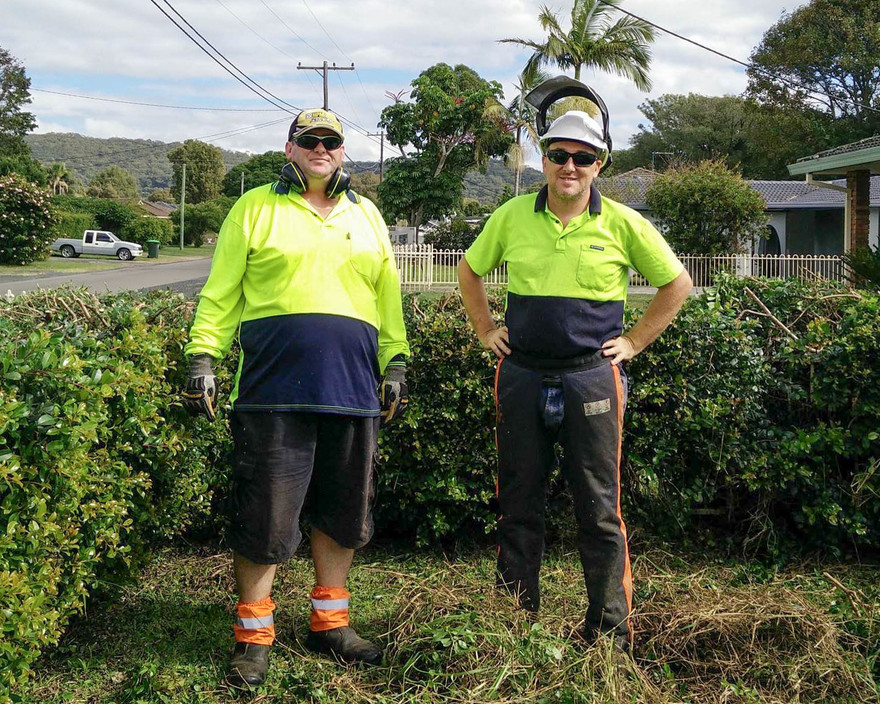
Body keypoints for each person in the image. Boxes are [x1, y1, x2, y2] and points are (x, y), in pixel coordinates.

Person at [181, 108, 410, 686]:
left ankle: (329, 624)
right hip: (271, 392)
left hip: (353, 389)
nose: (321, 148)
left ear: (341, 151)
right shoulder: (254, 207)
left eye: (331, 141)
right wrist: (203, 356)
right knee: (265, 517)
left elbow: (388, 298)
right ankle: (254, 637)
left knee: (343, 511)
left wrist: (396, 361)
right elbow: (222, 290)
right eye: (309, 140)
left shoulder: (369, 214)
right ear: (290, 149)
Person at [457, 107, 692, 652]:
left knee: (599, 507)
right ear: (543, 159)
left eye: (582, 157)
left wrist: (633, 341)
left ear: (598, 164)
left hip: (592, 380)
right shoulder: (512, 216)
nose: (569, 165)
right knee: (518, 502)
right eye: (559, 154)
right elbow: (469, 272)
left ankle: (609, 636)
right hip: (520, 375)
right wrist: (486, 326)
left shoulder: (624, 223)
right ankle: (515, 626)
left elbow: (675, 284)